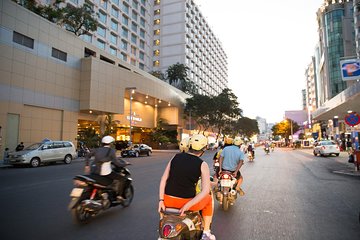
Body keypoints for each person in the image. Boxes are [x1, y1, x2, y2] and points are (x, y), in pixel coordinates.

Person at [158, 134, 216, 240]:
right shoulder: (202, 164)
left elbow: (163, 180)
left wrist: (161, 200)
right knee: (208, 199)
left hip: (168, 201)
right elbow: (205, 190)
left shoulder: (175, 157)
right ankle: (206, 232)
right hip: (185, 203)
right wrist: (189, 204)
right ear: (204, 149)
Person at [84, 135, 126, 201]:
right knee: (122, 179)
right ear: (111, 143)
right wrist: (125, 164)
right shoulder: (111, 151)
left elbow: (87, 155)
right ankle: (119, 196)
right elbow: (117, 163)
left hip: (94, 172)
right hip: (105, 173)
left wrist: (87, 165)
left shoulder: (97, 150)